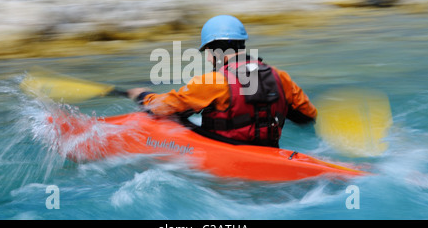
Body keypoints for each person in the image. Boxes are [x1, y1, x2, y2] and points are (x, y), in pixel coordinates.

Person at [127, 15, 317, 148]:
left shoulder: (213, 82)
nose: (209, 59)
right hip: (270, 152)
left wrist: (142, 95)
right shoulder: (280, 77)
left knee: (171, 119)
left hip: (225, 155)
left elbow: (162, 107)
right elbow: (308, 117)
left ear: (216, 50)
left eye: (208, 53)